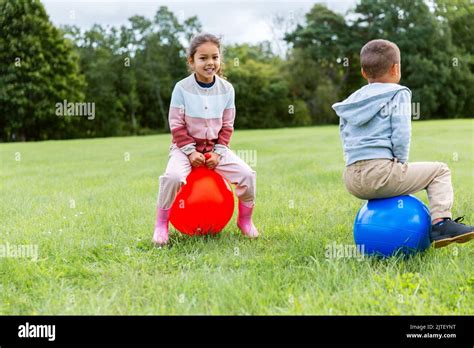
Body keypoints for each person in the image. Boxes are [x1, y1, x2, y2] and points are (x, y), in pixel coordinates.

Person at [332, 39, 473, 248]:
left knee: (398, 177)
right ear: (396, 68)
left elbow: (345, 135)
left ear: (363, 73)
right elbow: (401, 132)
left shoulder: (351, 102)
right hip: (381, 174)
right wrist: (401, 163)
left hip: (352, 178)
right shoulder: (398, 93)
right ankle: (442, 224)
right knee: (440, 171)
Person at [152, 33, 258, 246]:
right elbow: (176, 125)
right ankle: (161, 224)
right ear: (191, 61)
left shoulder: (227, 89)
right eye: (203, 58)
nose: (210, 63)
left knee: (247, 175)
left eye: (215, 57)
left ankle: (245, 220)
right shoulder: (181, 88)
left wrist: (218, 153)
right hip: (184, 149)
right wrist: (191, 152)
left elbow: (227, 125)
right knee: (172, 177)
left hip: (217, 150)